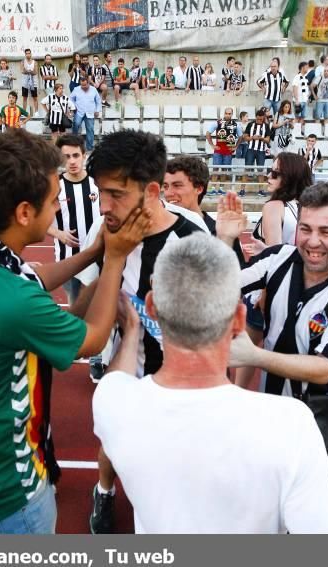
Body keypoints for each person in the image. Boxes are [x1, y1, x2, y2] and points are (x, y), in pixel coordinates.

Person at [0, 128, 150, 535]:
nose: (59, 204)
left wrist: (93, 253)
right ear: (25, 213)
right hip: (7, 487)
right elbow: (92, 339)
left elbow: (32, 278)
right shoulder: (12, 303)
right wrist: (114, 259)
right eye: (53, 199)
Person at [93, 233, 328, 534]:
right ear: (239, 320)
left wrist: (132, 330)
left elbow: (117, 379)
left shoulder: (113, 402)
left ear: (151, 306)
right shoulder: (292, 424)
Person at [216, 182, 328, 517]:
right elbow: (221, 284)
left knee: (315, 504)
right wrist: (225, 240)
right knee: (270, 496)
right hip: (275, 406)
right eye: (305, 229)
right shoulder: (280, 258)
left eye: (326, 231)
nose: (312, 241)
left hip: (322, 417)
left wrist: (254, 356)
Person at [76, 130, 209, 534]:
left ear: (152, 191)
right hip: (125, 372)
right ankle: (105, 490)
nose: (104, 206)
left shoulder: (191, 240)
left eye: (116, 194)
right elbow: (79, 319)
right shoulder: (105, 232)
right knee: (113, 442)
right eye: (100, 193)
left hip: (180, 384)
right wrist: (106, 258)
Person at [235, 153, 314, 391]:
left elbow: (275, 254)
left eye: (276, 173)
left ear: (289, 177)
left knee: (243, 355)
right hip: (301, 289)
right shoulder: (309, 207)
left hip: (267, 290)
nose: (268, 176)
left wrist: (263, 251)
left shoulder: (274, 206)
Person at [163, 155, 244, 264]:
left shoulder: (221, 232)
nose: (168, 193)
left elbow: (237, 277)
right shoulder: (155, 229)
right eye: (166, 186)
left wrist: (226, 239)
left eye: (177, 185)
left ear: (199, 188)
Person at [49, 133, 101, 303]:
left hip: (99, 255)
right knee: (76, 306)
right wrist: (59, 234)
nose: (72, 161)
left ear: (84, 155)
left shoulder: (98, 182)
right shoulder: (54, 186)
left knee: (102, 304)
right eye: (67, 157)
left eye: (76, 155)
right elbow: (38, 221)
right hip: (69, 260)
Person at [205, 107, 243, 195]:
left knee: (224, 170)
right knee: (215, 169)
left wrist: (236, 147)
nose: (228, 115)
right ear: (224, 113)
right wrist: (212, 145)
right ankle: (213, 188)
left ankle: (221, 188)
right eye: (226, 113)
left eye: (229, 114)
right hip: (218, 150)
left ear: (232, 114)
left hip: (228, 151)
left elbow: (241, 137)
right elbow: (208, 133)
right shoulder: (217, 123)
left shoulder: (236, 125)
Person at [69, 76, 101, 152]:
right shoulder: (76, 89)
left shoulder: (93, 90)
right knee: (76, 125)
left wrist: (97, 110)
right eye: (82, 85)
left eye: (85, 85)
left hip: (90, 112)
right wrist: (74, 107)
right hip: (79, 112)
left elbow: (98, 101)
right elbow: (70, 99)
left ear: (88, 83)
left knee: (90, 129)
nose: (83, 87)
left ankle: (89, 148)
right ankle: (74, 144)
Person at [20, 48, 38, 114]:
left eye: (29, 53)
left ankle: (36, 112)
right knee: (25, 98)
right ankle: (24, 112)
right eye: (26, 53)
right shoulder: (22, 62)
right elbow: (22, 71)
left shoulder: (35, 62)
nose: (28, 55)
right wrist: (30, 71)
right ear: (25, 54)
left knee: (35, 97)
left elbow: (35, 72)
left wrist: (27, 71)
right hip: (25, 83)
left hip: (33, 83)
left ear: (31, 54)